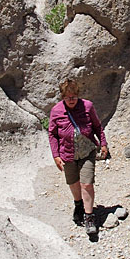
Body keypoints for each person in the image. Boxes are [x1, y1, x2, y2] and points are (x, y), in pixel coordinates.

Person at [48, 78, 108, 235]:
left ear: (78, 95)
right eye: (68, 97)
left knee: (86, 184)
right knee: (73, 182)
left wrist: (103, 143)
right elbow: (53, 134)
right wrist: (55, 155)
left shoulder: (87, 106)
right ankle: (78, 204)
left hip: (87, 152)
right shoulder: (56, 111)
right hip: (67, 153)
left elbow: (97, 126)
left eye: (74, 97)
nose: (71, 100)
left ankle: (89, 217)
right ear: (62, 97)